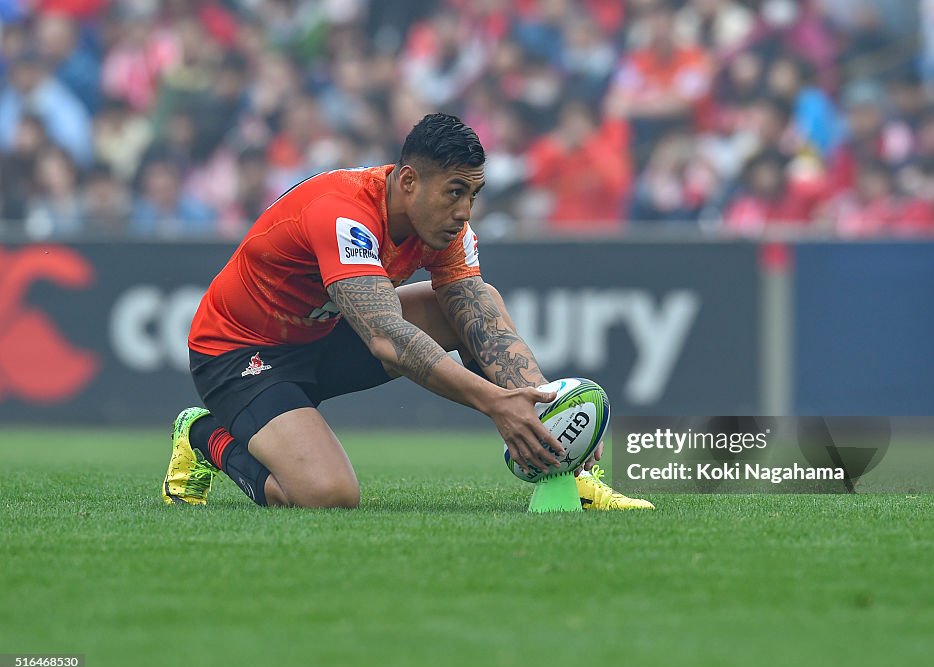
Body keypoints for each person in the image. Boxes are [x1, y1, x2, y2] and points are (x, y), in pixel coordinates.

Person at [162, 113, 653, 511]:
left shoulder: (443, 227)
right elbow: (386, 339)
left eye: (473, 195)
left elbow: (478, 315)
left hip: (324, 335)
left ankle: (569, 471)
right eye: (455, 192)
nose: (465, 211)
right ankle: (204, 435)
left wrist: (547, 412)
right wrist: (493, 402)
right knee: (328, 497)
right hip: (241, 354)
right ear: (410, 181)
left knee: (476, 305)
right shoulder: (344, 213)